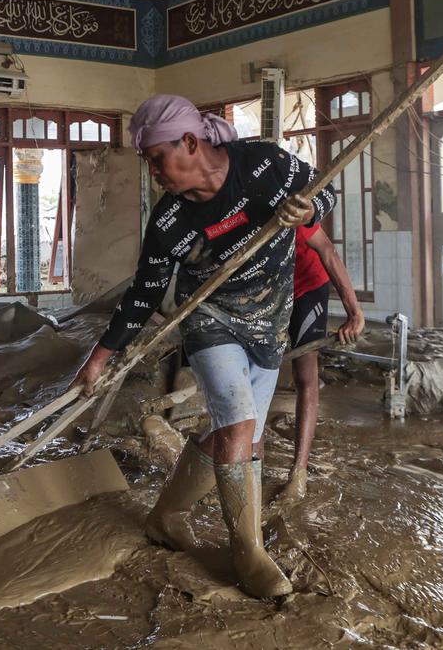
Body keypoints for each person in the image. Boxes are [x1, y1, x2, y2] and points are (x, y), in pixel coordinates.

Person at [71, 94, 335, 598]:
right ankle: (248, 551)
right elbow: (144, 293)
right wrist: (100, 356)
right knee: (238, 423)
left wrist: (308, 209)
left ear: (190, 143)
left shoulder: (264, 165)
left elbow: (324, 194)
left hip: (268, 319)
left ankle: (166, 516)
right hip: (209, 320)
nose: (153, 173)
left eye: (156, 158)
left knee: (239, 438)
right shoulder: (170, 221)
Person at [275, 224, 365, 504]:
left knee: (305, 375)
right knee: (257, 375)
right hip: (265, 293)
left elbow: (326, 249)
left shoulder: (283, 202)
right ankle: (247, 465)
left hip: (306, 286)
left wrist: (354, 312)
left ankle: (298, 472)